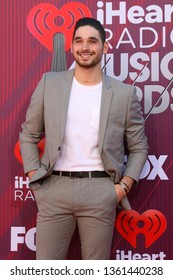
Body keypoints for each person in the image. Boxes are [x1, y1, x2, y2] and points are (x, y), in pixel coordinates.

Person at [19, 17, 148, 260]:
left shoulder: (124, 94)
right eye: (79, 41)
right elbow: (28, 134)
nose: (85, 47)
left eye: (92, 41)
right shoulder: (50, 83)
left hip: (101, 190)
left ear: (105, 47)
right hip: (54, 189)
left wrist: (122, 188)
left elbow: (139, 146)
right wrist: (34, 178)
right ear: (71, 46)